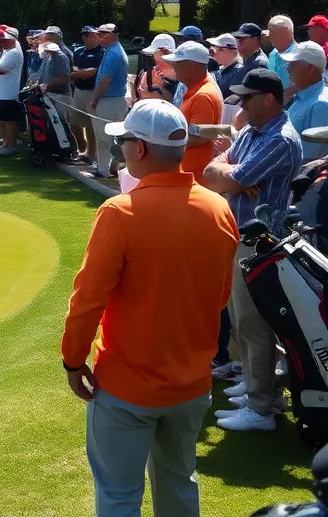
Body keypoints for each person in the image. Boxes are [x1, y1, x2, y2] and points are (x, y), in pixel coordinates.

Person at [63, 100, 237, 517]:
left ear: (140, 149)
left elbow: (87, 299)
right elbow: (222, 296)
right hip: (192, 383)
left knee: (119, 495)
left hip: (128, 384)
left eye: (125, 141)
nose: (122, 148)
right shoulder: (218, 207)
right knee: (178, 484)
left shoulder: (120, 212)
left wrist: (73, 361)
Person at [202, 69, 303, 432]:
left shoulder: (279, 139)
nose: (241, 105)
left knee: (252, 323)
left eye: (247, 98)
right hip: (240, 237)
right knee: (240, 318)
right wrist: (232, 176)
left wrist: (232, 177)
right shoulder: (253, 131)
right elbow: (214, 171)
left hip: (258, 243)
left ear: (268, 98)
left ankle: (262, 408)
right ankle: (258, 387)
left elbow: (229, 177)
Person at [162, 42, 223, 184]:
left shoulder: (203, 95)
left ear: (193, 65)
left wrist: (162, 144)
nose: (174, 67)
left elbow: (199, 137)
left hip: (194, 177)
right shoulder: (196, 89)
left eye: (178, 63)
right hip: (189, 174)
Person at [88, 24, 129, 178]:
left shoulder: (114, 53)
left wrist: (94, 99)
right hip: (112, 99)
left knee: (104, 135)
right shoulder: (112, 51)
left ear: (113, 34)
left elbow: (106, 79)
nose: (98, 37)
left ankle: (104, 169)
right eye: (98, 34)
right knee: (109, 136)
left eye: (102, 34)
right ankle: (112, 166)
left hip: (109, 100)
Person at [281, 41, 328, 161]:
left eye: (293, 64)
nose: (288, 69)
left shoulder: (320, 105)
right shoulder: (302, 96)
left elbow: (312, 159)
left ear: (310, 68)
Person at [0, 27, 24, 157]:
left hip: (9, 93)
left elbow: (0, 70)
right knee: (3, 120)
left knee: (9, 122)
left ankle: (10, 146)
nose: (2, 41)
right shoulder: (8, 51)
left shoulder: (14, 53)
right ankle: (6, 144)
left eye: (5, 39)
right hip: (2, 92)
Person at [69, 26, 105, 163]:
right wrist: (79, 74)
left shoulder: (101, 52)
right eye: (84, 34)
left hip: (92, 91)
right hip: (78, 90)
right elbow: (76, 70)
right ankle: (81, 148)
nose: (86, 37)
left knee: (91, 126)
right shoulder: (78, 51)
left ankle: (91, 154)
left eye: (89, 34)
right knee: (74, 123)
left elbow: (93, 72)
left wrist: (79, 74)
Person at [208, 33, 246, 97]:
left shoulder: (239, 71)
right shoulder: (221, 70)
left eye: (221, 49)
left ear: (233, 52)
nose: (215, 52)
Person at [266, 15, 297, 88]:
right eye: (269, 32)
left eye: (272, 32)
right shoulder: (273, 53)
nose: (269, 36)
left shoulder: (298, 55)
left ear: (286, 31)